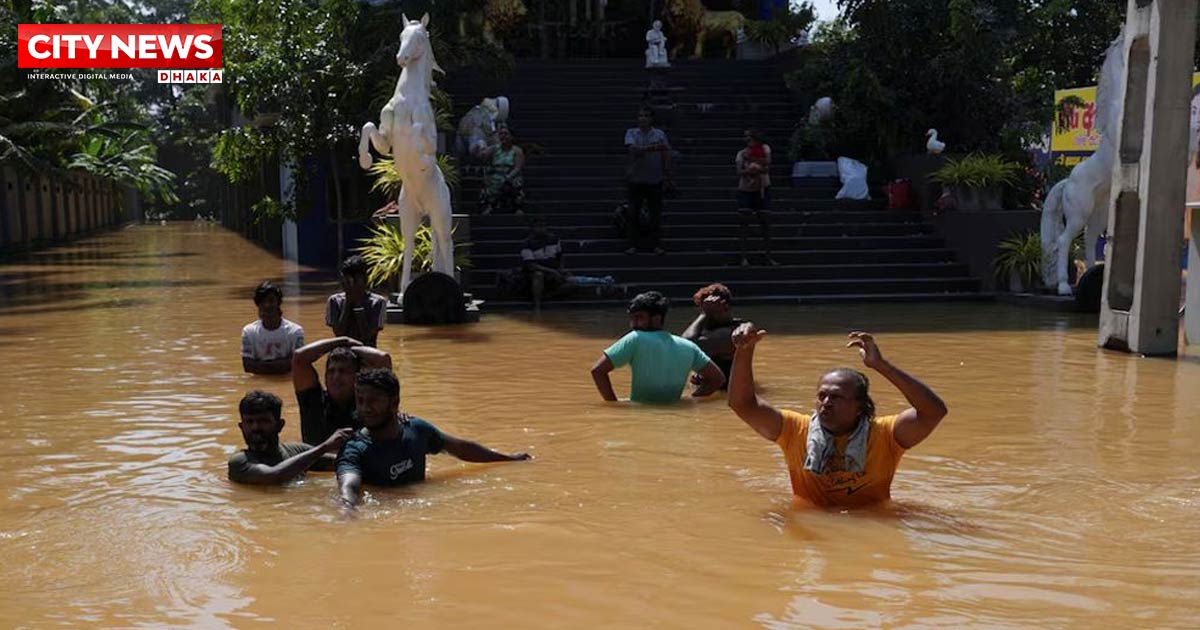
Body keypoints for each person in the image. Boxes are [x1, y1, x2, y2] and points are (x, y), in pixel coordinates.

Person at [727, 327, 948, 508]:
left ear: (860, 407)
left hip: (869, 523)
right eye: (822, 396)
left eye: (836, 397)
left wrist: (881, 365)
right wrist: (744, 351)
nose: (826, 402)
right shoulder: (794, 430)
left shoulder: (885, 434)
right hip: (812, 527)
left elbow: (933, 412)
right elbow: (742, 404)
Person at [336, 369, 531, 507]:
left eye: (373, 401)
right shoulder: (354, 449)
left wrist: (508, 459)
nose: (365, 408)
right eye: (360, 401)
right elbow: (349, 487)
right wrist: (347, 512)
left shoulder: (417, 430)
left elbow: (460, 449)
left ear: (395, 403)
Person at [591, 291, 725, 403]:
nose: (633, 324)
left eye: (639, 318)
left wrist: (613, 405)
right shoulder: (689, 346)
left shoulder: (636, 338)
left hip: (641, 416)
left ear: (656, 318)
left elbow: (597, 370)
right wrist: (691, 400)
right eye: (632, 318)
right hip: (675, 416)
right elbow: (718, 379)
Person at [227, 390, 353, 485]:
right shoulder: (239, 462)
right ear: (241, 427)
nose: (255, 427)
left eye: (263, 421)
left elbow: (344, 463)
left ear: (280, 425)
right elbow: (274, 476)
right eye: (249, 422)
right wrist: (325, 446)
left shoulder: (296, 451)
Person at [292, 336, 392, 446]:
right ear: (325, 376)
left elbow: (383, 359)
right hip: (316, 457)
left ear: (357, 377)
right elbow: (299, 357)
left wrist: (351, 347)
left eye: (343, 371)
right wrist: (342, 341)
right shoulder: (314, 402)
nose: (336, 377)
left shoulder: (367, 404)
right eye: (331, 371)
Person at [623, 108, 674, 256]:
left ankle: (655, 245)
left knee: (655, 215)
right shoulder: (631, 132)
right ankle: (633, 244)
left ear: (651, 119)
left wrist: (668, 176)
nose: (642, 118)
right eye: (640, 116)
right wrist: (653, 147)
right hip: (635, 180)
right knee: (633, 214)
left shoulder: (659, 134)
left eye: (646, 116)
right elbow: (633, 151)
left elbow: (665, 155)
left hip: (655, 180)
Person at [681, 283, 744, 386]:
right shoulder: (709, 327)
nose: (707, 317)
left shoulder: (735, 332)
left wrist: (704, 314)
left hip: (726, 391)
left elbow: (685, 345)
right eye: (703, 309)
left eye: (709, 310)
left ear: (725, 307)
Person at [240, 281, 305, 374]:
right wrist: (282, 364)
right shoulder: (249, 332)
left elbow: (298, 363)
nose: (267, 305)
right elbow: (248, 366)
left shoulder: (295, 331)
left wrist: (260, 365)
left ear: (278, 303)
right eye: (263, 301)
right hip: (261, 380)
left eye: (271, 301)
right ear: (258, 305)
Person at [325, 255, 388, 347]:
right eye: (347, 280)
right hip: (343, 352)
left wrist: (357, 304)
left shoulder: (377, 302)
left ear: (365, 279)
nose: (351, 284)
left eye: (356, 280)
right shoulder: (334, 301)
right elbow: (339, 334)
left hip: (367, 351)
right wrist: (348, 302)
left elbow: (367, 337)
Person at [735, 129, 776, 266]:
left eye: (748, 137)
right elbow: (739, 171)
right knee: (744, 223)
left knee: (765, 223)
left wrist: (752, 160)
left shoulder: (765, 149)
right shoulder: (741, 153)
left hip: (762, 188)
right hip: (746, 189)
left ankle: (768, 255)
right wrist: (750, 170)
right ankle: (744, 257)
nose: (746, 139)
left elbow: (767, 164)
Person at [479, 127, 525, 215]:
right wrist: (482, 149)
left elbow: (517, 167)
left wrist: (508, 177)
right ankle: (489, 206)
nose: (503, 136)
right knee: (489, 182)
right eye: (501, 134)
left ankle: (517, 207)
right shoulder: (495, 148)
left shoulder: (517, 150)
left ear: (511, 136)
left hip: (510, 174)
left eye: (506, 134)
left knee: (514, 182)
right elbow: (482, 156)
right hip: (496, 174)